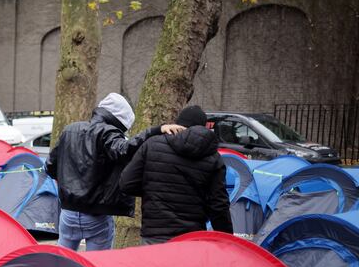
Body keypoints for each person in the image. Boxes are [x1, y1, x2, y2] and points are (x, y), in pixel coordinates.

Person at [46, 92, 184, 251]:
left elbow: (50, 166)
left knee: (63, 262)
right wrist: (156, 130)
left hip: (68, 213)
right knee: (98, 266)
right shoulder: (107, 133)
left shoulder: (69, 130)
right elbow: (125, 150)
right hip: (96, 215)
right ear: (120, 121)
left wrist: (67, 186)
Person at [119, 105, 233, 245]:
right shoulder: (213, 158)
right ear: (204, 127)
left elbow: (126, 183)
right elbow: (218, 205)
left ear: (178, 123)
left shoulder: (152, 145)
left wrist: (153, 190)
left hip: (154, 234)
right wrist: (227, 241)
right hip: (191, 238)